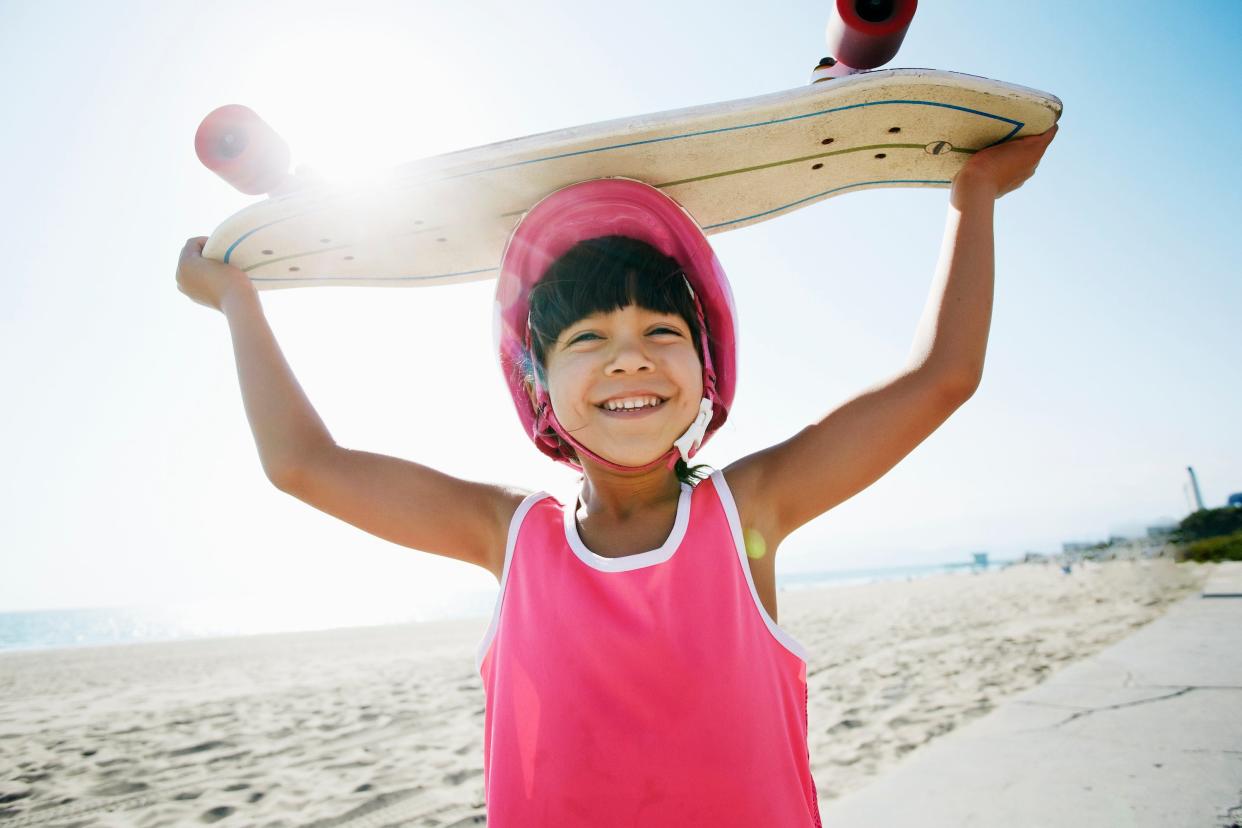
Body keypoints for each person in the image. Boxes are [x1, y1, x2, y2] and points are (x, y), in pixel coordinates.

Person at [176, 123, 1057, 826]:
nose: (630, 362)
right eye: (587, 340)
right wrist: (238, 304)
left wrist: (971, 197)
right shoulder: (508, 536)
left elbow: (943, 377)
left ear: (709, 371)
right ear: (538, 387)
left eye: (662, 334)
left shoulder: (750, 506)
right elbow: (303, 465)